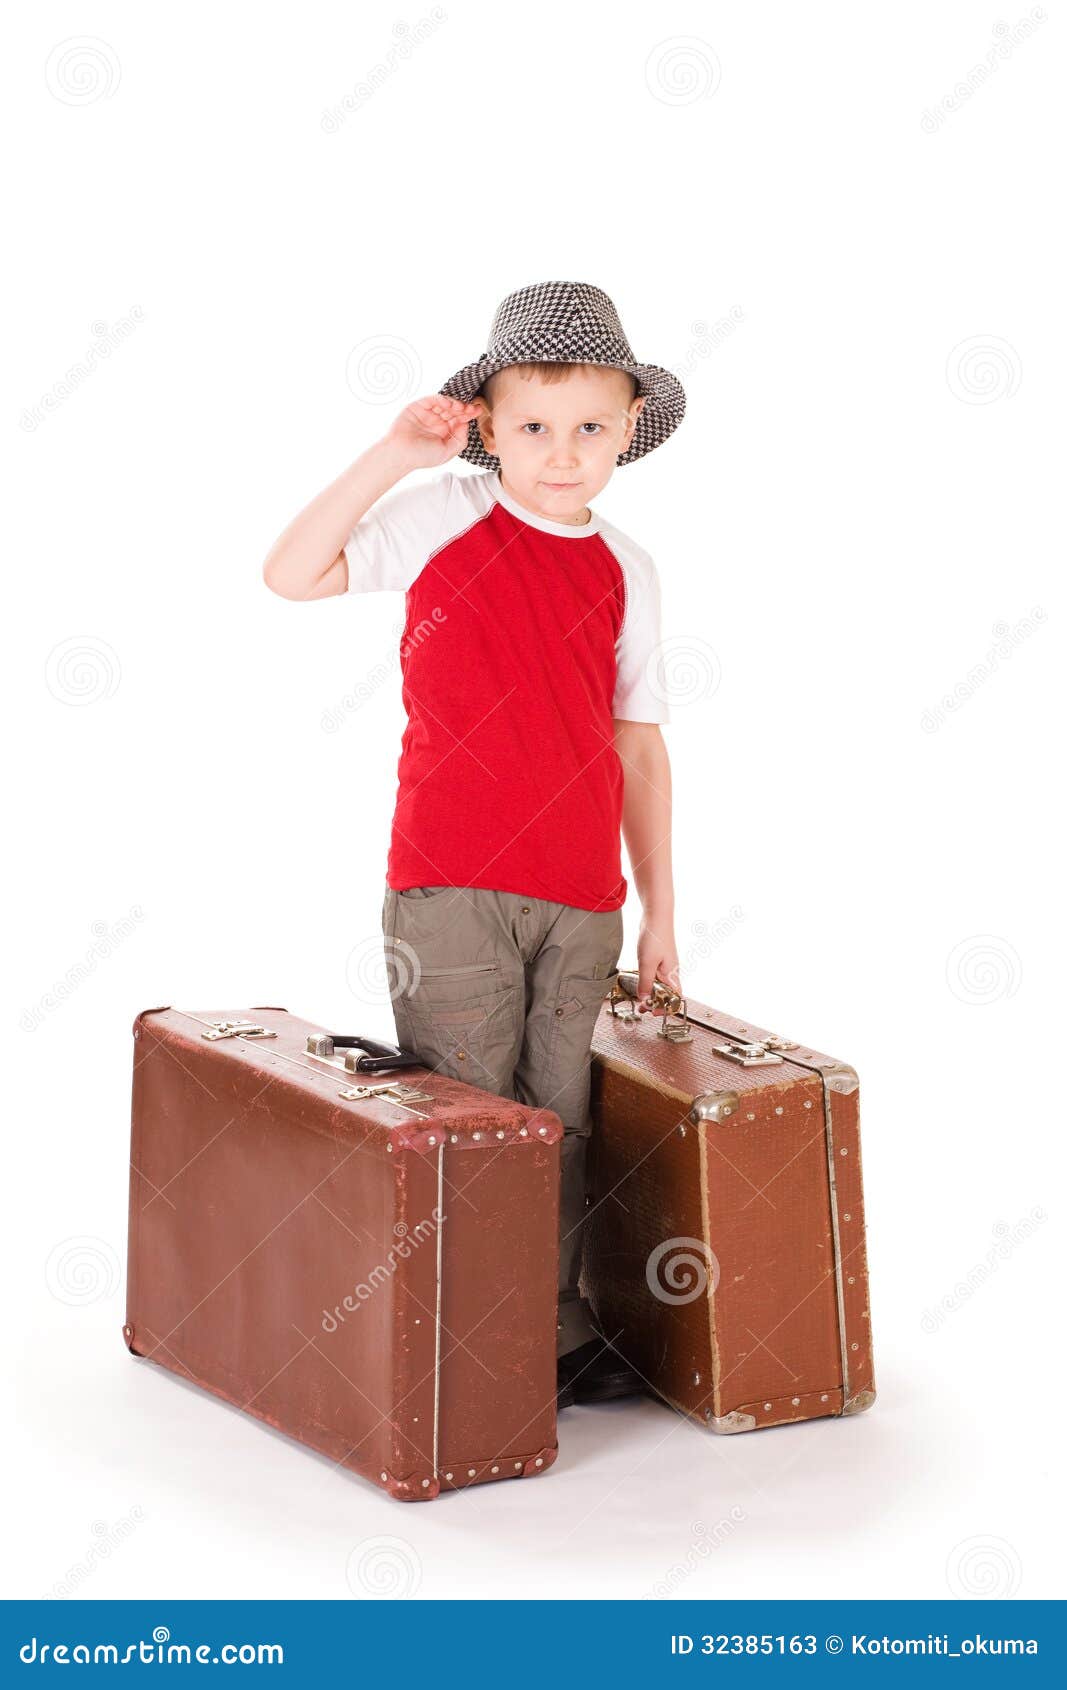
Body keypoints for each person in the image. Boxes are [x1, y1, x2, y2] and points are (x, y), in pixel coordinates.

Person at [263, 280, 685, 1410]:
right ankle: (454, 1342)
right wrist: (390, 456)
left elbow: (636, 749)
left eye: (589, 427)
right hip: (449, 881)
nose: (561, 454)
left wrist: (661, 916)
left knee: (559, 1122)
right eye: (533, 427)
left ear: (628, 426)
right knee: (466, 1115)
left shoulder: (626, 568)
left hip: (581, 894)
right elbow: (289, 571)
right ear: (487, 425)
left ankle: (549, 1334)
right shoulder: (444, 513)